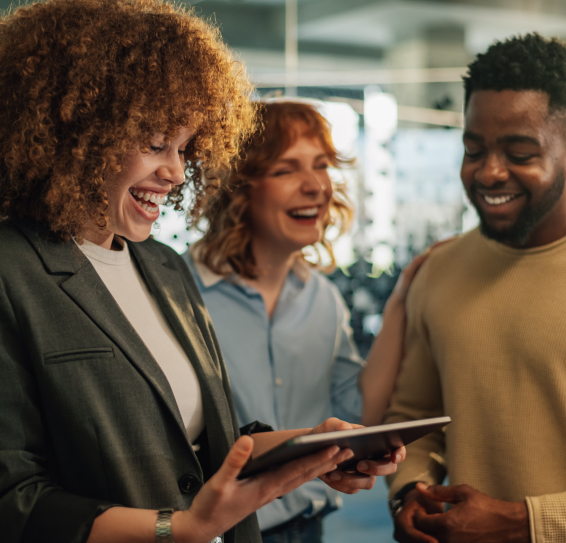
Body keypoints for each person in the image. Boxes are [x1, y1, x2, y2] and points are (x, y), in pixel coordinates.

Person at [0, 2, 405, 543]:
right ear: (76, 133)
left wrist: (308, 450)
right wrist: (179, 529)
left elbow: (206, 445)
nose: (173, 172)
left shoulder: (162, 267)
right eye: (153, 144)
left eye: (184, 148)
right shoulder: (13, 271)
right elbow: (14, 497)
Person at [184, 100, 425, 542]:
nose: (316, 186)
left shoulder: (323, 299)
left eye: (321, 167)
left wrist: (403, 300)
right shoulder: (179, 294)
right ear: (239, 187)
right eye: (287, 170)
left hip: (308, 527)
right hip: (218, 531)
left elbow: (358, 410)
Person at [385, 33, 566, 543]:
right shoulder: (439, 269)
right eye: (473, 149)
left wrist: (521, 522)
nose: (488, 172)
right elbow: (416, 417)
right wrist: (411, 490)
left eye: (520, 152)